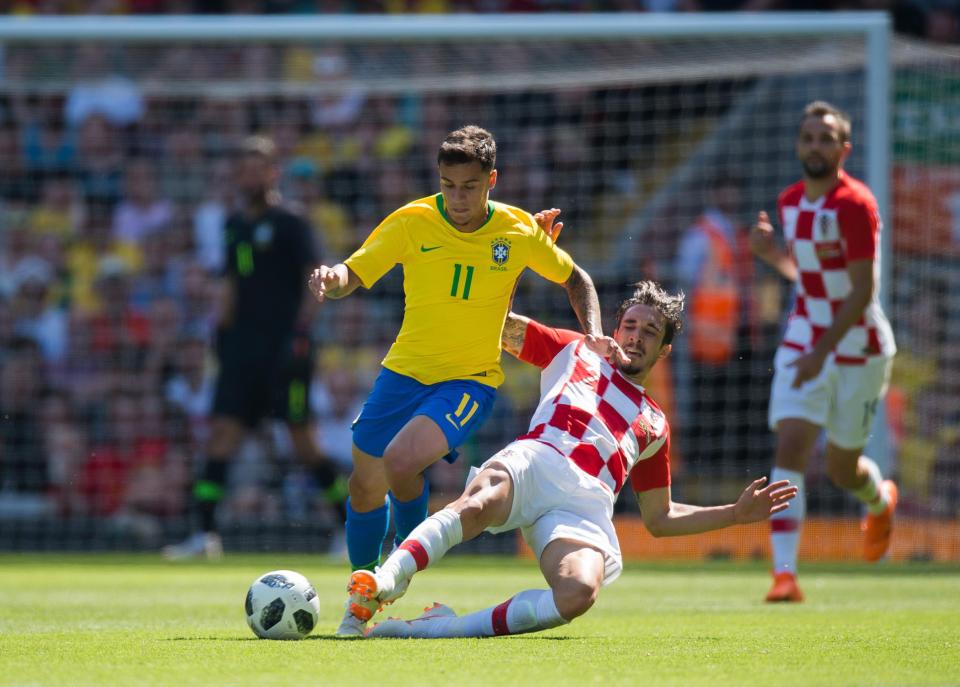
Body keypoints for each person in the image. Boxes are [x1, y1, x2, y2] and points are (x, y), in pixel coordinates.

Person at [340, 280, 796, 639]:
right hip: (539, 458)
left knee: (577, 594)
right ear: (616, 329)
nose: (636, 337)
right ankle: (386, 579)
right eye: (631, 325)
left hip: (583, 508)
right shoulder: (575, 347)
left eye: (650, 332)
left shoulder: (655, 423)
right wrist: (515, 262)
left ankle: (436, 626)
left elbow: (661, 517)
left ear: (665, 350)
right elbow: (496, 325)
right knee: (479, 502)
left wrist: (736, 514)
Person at [309, 125, 616, 636]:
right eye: (448, 185)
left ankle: (397, 572)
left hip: (470, 381)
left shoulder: (516, 231)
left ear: (491, 180)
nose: (457, 198)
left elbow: (574, 278)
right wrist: (330, 278)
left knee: (401, 461)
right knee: (364, 487)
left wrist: (596, 334)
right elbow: (355, 272)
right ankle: (361, 592)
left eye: (469, 186)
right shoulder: (413, 221)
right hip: (402, 371)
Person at [163, 136, 345, 560]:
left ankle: (347, 526)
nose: (248, 177)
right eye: (241, 170)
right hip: (241, 350)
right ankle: (204, 535)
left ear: (272, 173)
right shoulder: (234, 225)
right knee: (221, 436)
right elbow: (229, 284)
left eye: (256, 169)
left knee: (302, 441)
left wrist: (301, 334)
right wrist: (220, 336)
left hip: (286, 349)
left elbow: (313, 281)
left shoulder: (292, 222)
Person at [749, 101, 898, 603]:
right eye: (808, 137)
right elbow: (808, 276)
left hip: (859, 347)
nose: (815, 145)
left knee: (841, 469)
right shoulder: (791, 201)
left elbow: (859, 292)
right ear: (799, 146)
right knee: (790, 444)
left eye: (826, 138)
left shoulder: (856, 205)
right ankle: (784, 575)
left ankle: (880, 502)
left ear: (843, 149)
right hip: (804, 337)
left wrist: (821, 352)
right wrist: (773, 256)